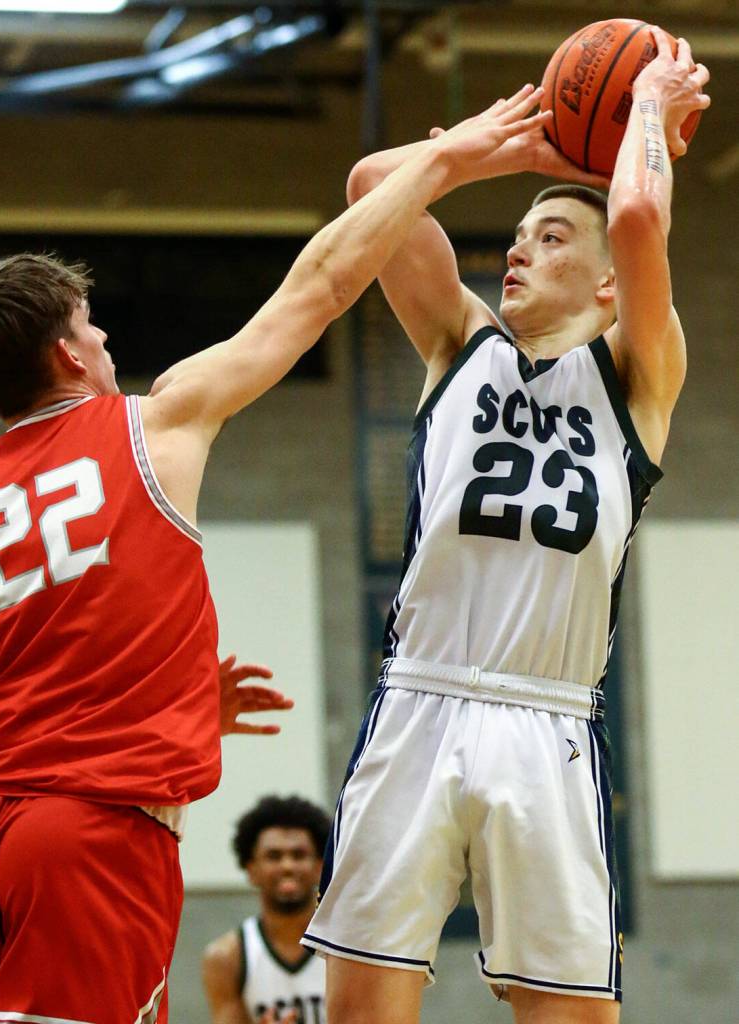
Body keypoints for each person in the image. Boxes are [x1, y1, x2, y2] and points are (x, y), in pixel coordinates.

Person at [0, 87, 565, 1024]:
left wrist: (147, 703)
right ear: (66, 353)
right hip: (91, 837)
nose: (105, 338)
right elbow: (323, 285)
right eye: (93, 325)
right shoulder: (155, 421)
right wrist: (452, 157)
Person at [301, 29, 710, 1024]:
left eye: (554, 236)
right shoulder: (458, 345)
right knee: (360, 1012)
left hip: (550, 720)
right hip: (421, 702)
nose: (520, 247)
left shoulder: (636, 376)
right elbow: (370, 187)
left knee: (569, 1016)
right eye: (518, 234)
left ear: (610, 284)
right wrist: (506, 150)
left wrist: (644, 107)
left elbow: (642, 212)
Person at [203, 795, 332, 1024]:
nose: (287, 866)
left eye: (298, 855)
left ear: (319, 866)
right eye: (274, 856)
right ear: (251, 869)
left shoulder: (345, 947)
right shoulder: (226, 958)